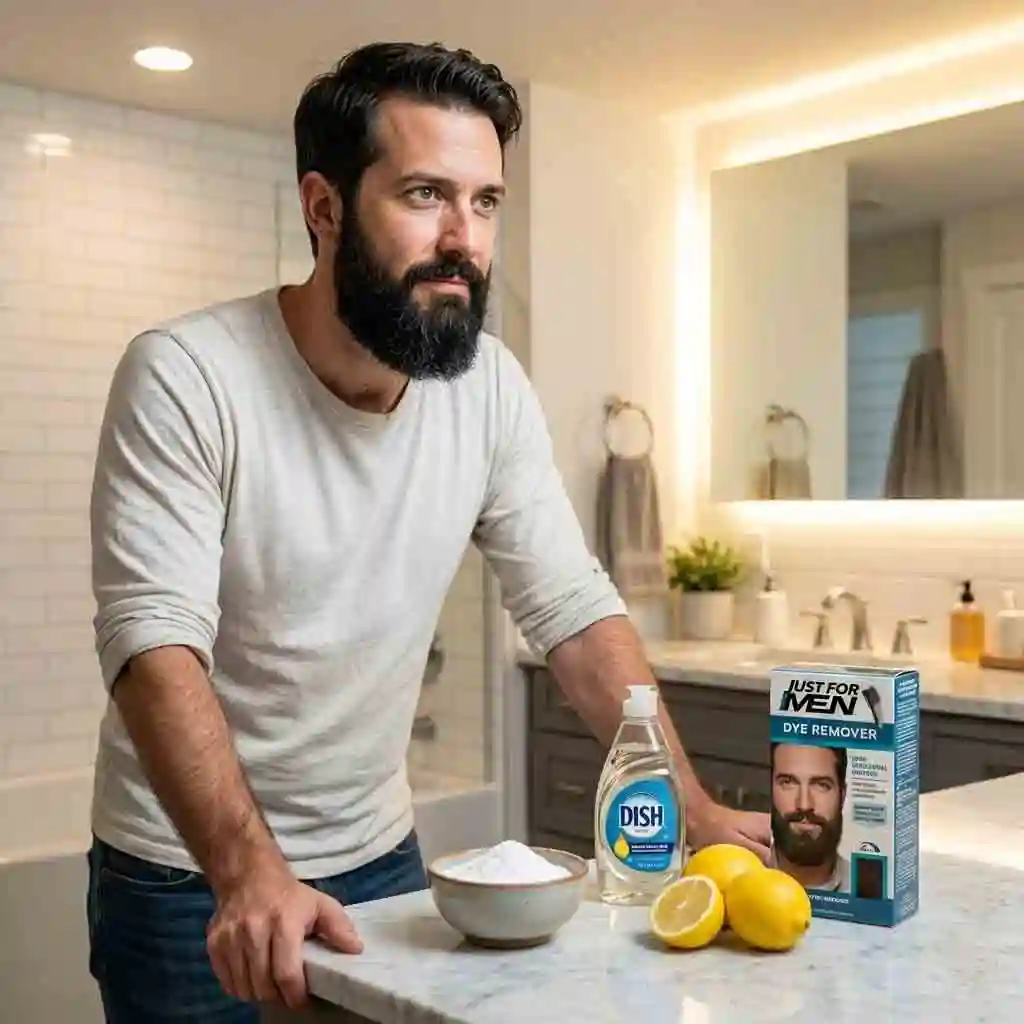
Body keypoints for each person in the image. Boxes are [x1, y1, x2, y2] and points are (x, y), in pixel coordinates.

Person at [86, 40, 770, 1022]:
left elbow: (574, 616)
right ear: (324, 208)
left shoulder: (488, 387)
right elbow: (154, 647)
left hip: (380, 861)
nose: (464, 239)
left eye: (484, 201)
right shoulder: (187, 376)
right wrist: (248, 873)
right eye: (423, 195)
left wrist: (693, 809)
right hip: (193, 876)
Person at [769, 741, 850, 891]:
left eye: (822, 785)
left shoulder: (872, 893)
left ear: (842, 796)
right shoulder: (742, 877)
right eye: (788, 782)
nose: (804, 805)